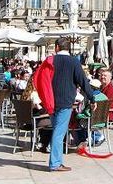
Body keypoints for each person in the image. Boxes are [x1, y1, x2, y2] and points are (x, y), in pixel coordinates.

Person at [33, 37, 96, 172]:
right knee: (59, 132)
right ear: (69, 48)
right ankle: (55, 163)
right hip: (65, 102)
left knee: (57, 130)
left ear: (57, 47)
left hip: (50, 102)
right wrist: (92, 98)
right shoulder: (74, 62)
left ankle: (57, 161)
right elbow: (83, 82)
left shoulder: (51, 61)